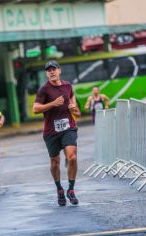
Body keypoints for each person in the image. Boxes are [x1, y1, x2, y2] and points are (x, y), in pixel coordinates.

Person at [33, 60, 81, 206]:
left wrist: (74, 109)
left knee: (72, 157)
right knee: (55, 162)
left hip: (68, 127)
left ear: (60, 71)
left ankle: (71, 190)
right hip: (51, 132)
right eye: (49, 70)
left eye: (54, 69)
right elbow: (35, 109)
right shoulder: (44, 90)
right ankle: (59, 189)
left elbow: (77, 112)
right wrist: (53, 104)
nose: (52, 72)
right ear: (46, 73)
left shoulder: (68, 86)